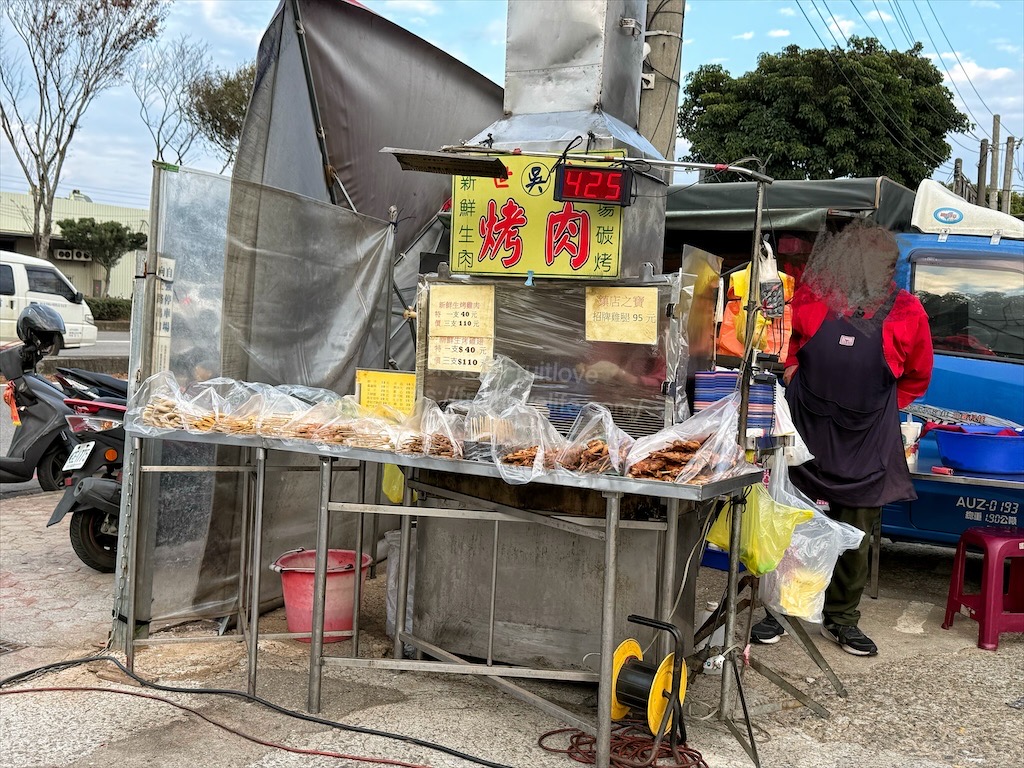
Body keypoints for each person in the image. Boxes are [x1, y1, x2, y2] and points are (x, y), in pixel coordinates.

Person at [751, 221, 934, 656]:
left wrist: (879, 409)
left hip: (866, 438)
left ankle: (842, 619)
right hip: (806, 431)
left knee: (857, 533)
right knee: (789, 524)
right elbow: (785, 345)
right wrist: (793, 369)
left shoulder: (908, 312)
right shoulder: (814, 298)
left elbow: (916, 378)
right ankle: (778, 612)